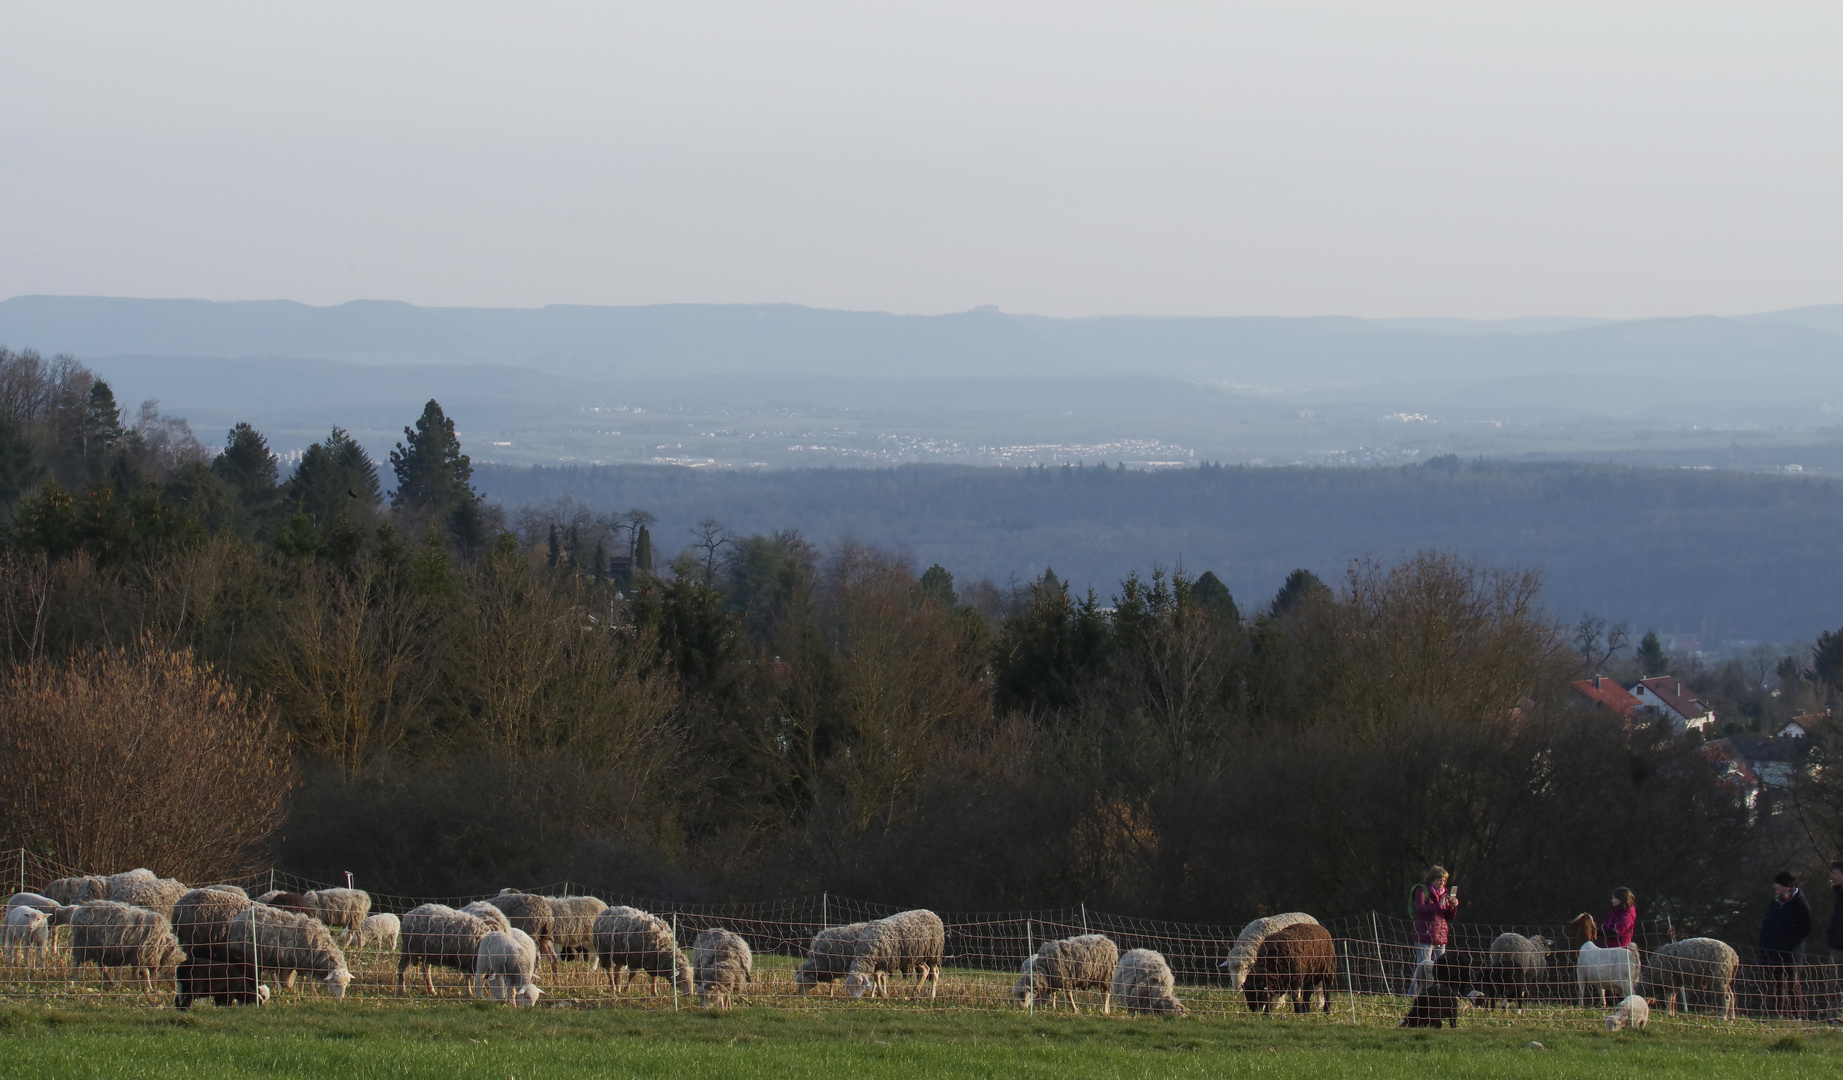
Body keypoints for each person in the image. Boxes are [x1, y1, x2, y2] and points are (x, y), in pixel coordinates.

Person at [1759, 870, 1813, 1018]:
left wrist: (1791, 943)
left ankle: (1796, 1015)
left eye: (1778, 884)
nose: (1775, 886)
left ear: (1787, 886)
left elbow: (1806, 927)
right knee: (1777, 985)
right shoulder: (1776, 902)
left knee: (1792, 984)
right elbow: (1767, 922)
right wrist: (1764, 940)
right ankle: (1777, 1014)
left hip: (1791, 953)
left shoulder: (1800, 903)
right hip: (1774, 950)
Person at [1408, 866, 1458, 997]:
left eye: (1444, 880)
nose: (1442, 883)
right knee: (1423, 966)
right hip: (1425, 934)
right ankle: (1413, 994)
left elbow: (1448, 916)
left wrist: (1452, 907)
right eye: (1439, 880)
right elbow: (1420, 909)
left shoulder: (1445, 893)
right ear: (1432, 879)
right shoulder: (1422, 890)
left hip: (1441, 935)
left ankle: (1436, 994)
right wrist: (1438, 904)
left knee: (1440, 968)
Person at [1826, 861, 1843, 1021]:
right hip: (1836, 947)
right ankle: (1834, 1017)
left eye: (1835, 872)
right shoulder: (1838, 894)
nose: (1832, 876)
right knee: (1833, 984)